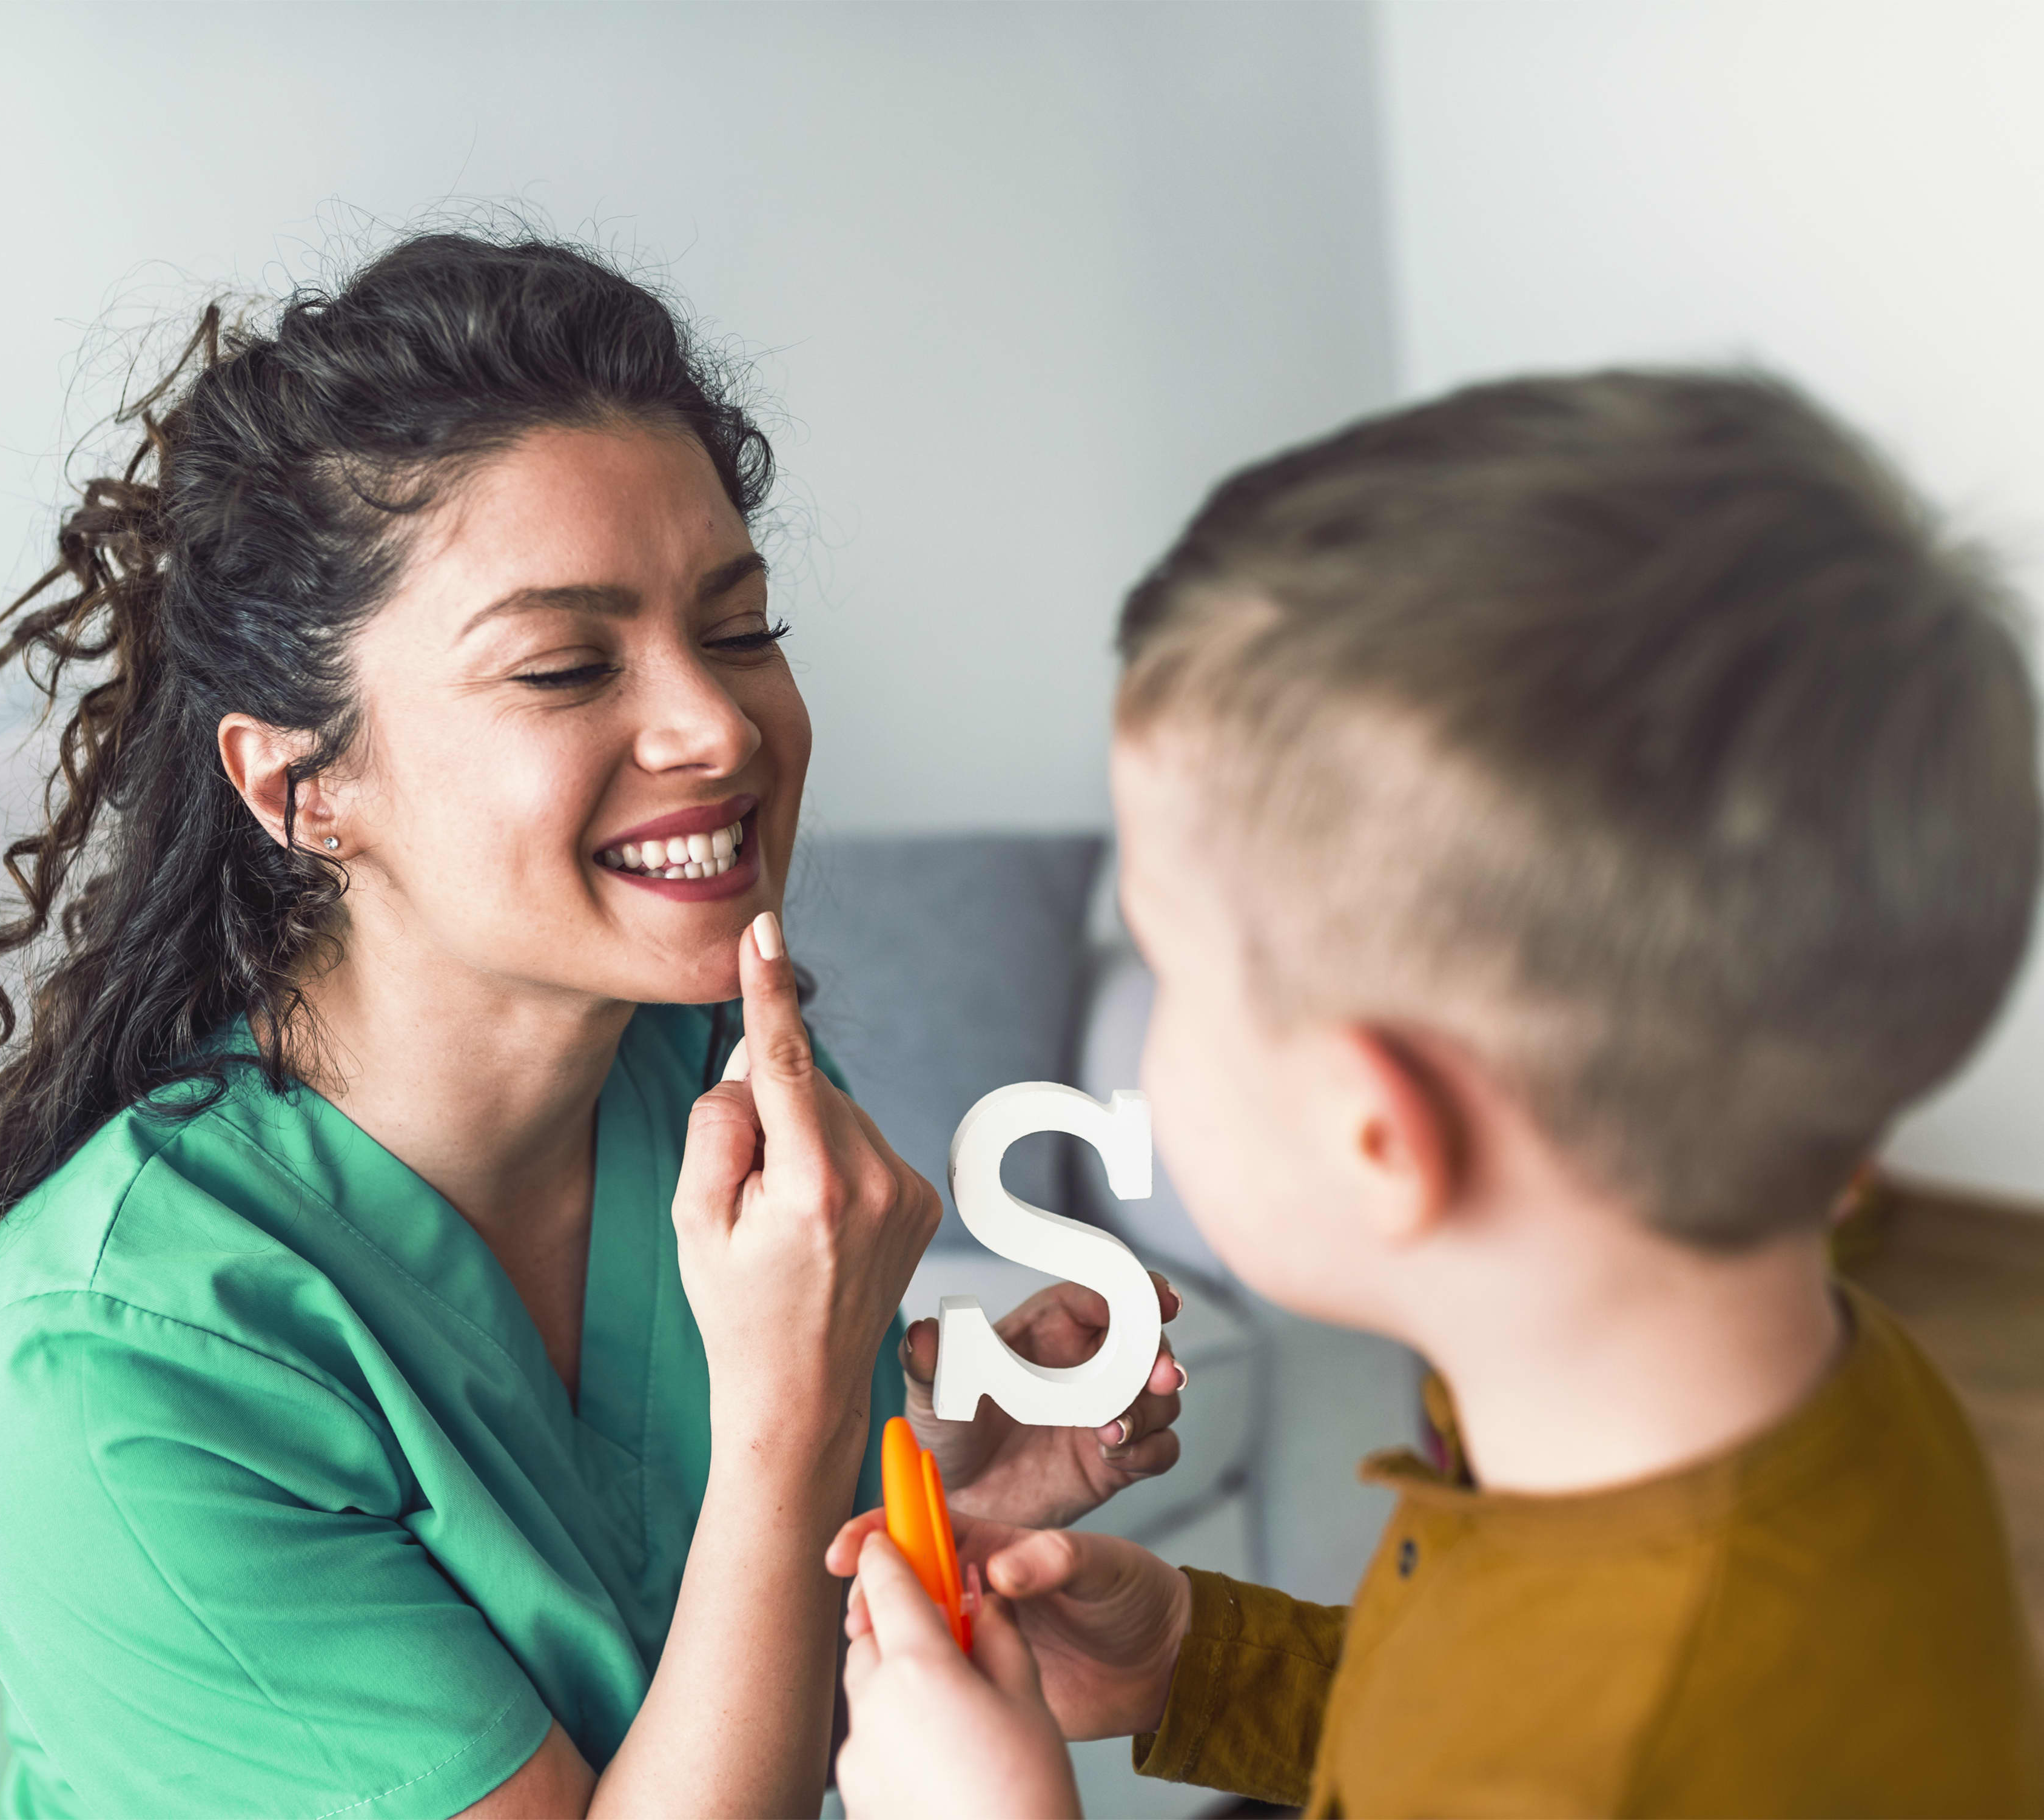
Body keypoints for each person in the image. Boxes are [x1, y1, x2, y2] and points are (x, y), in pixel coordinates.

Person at [0, 231, 1186, 1819]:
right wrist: (796, 1414)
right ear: (299, 786)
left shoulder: (687, 1091)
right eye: (564, 665)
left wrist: (910, 1501)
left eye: (740, 629)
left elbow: (695, 1659)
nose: (714, 723)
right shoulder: (101, 1381)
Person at [831, 369, 2044, 1817]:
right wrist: (1200, 1667)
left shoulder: (1593, 1758)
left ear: (1375, 1136)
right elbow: (1467, 1703)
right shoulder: (1818, 1407)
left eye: (1165, 968)